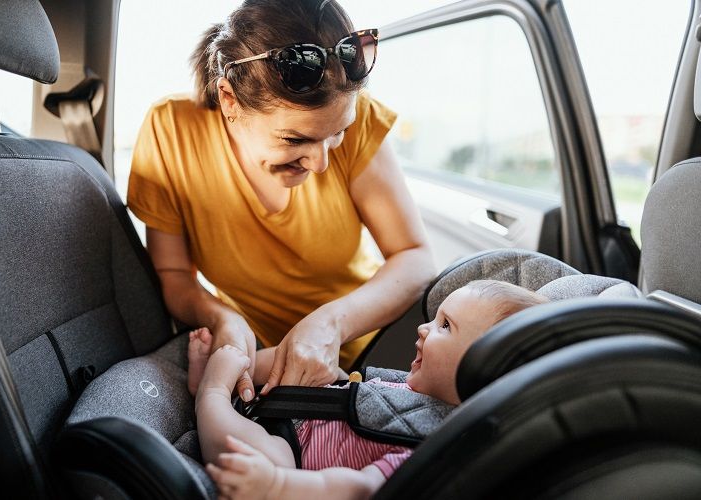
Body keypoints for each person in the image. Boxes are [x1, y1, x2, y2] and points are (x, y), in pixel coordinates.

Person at [126, 0, 435, 403]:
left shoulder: (364, 121)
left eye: (337, 133)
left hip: (380, 345)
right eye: (295, 139)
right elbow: (174, 274)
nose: (321, 163)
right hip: (268, 363)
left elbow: (414, 257)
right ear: (229, 99)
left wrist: (332, 325)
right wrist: (222, 318)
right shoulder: (171, 130)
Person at [191, 280, 550, 499]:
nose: (423, 328)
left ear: (482, 371)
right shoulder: (417, 388)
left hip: (295, 458)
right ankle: (235, 370)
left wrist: (276, 486)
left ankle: (211, 391)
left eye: (445, 326)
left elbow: (359, 490)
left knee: (262, 454)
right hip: (314, 407)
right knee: (320, 367)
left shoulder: (432, 447)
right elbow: (356, 392)